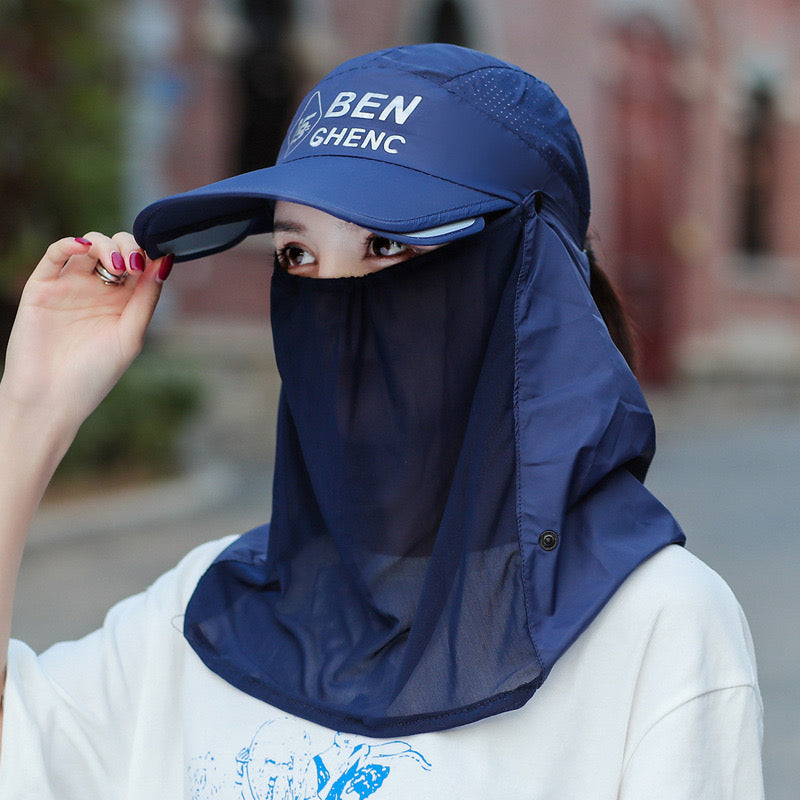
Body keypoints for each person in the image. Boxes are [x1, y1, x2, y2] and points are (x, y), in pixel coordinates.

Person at [0, 44, 763, 798]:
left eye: (388, 244)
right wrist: (29, 413)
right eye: (297, 255)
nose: (335, 309)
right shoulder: (203, 612)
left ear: (525, 284)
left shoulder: (654, 630)